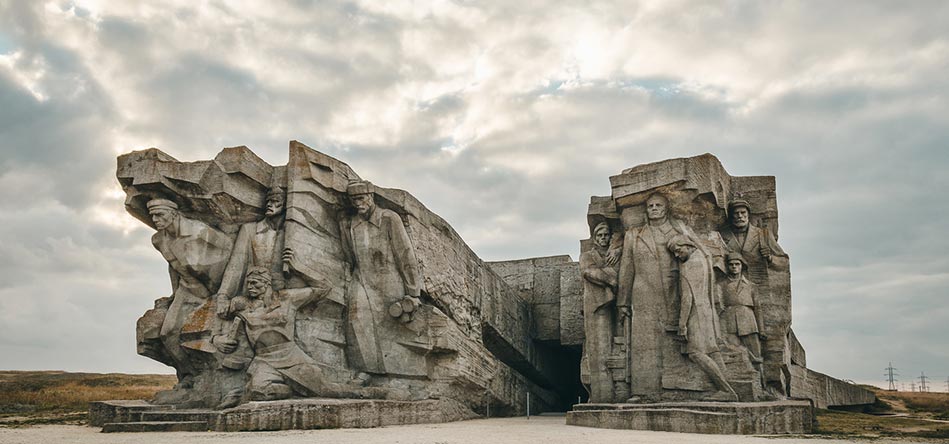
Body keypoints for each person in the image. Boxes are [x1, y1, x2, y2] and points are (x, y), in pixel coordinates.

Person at [214, 267, 383, 408]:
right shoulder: (241, 304)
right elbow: (218, 315)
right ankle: (285, 389)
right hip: (264, 360)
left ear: (267, 284)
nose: (250, 287)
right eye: (248, 283)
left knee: (326, 390)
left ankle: (369, 392)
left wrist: (299, 269)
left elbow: (324, 288)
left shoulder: (287, 298)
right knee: (259, 392)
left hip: (291, 356)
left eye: (255, 283)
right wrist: (216, 338)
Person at [144, 198, 233, 399]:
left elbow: (230, 248)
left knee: (200, 335)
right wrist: (174, 293)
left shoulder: (198, 231)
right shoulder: (159, 240)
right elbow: (172, 265)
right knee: (167, 333)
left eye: (160, 215)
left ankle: (215, 379)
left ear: (174, 214)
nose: (155, 219)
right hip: (187, 288)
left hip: (213, 290)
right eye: (152, 216)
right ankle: (189, 376)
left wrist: (226, 291)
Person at [338, 180, 422, 375]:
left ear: (371, 197)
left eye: (360, 198)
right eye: (353, 200)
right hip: (362, 279)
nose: (357, 204)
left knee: (389, 329)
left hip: (389, 280)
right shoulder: (351, 224)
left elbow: (405, 255)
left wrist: (413, 292)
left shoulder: (389, 218)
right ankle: (365, 372)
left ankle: (395, 374)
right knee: (356, 321)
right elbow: (349, 257)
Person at [616, 193, 692, 395]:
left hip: (672, 291)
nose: (654, 208)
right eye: (651, 206)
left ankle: (675, 391)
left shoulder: (677, 231)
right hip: (642, 294)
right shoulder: (634, 234)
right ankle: (643, 393)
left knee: (673, 340)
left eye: (659, 205)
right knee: (643, 343)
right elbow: (626, 268)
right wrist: (622, 302)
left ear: (666, 209)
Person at [668, 235, 738, 401]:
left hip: (696, 314)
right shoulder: (703, 257)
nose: (677, 256)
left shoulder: (688, 266)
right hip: (708, 312)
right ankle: (729, 386)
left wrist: (682, 324)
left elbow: (687, 298)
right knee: (712, 351)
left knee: (695, 353)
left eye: (678, 251)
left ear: (687, 245)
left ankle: (726, 390)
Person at [215, 187, 291, 319]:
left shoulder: (291, 235)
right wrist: (223, 297)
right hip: (252, 298)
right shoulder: (249, 229)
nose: (268, 204)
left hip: (280, 301)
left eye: (275, 201)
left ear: (285, 206)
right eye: (268, 201)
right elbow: (236, 266)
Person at [580, 222, 619, 402]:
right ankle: (600, 394)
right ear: (595, 238)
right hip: (596, 305)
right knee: (597, 348)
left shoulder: (614, 254)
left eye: (606, 235)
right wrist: (611, 277)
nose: (603, 239)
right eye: (600, 236)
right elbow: (589, 272)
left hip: (615, 303)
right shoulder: (588, 255)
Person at [717, 252, 765, 363]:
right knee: (735, 354)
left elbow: (758, 308)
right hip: (730, 323)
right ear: (727, 266)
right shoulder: (721, 285)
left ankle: (760, 377)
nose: (734, 267)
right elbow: (719, 307)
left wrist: (761, 329)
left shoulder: (751, 286)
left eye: (737, 264)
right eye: (731, 264)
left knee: (756, 356)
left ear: (742, 266)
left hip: (749, 322)